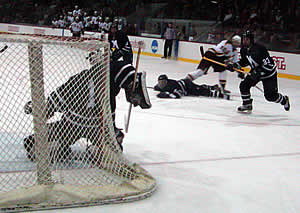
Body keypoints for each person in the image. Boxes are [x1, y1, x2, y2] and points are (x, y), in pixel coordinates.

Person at [23, 51, 151, 162]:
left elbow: (56, 99)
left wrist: (41, 108)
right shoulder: (108, 72)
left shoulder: (87, 77)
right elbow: (130, 75)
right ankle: (95, 151)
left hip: (81, 124)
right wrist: (136, 94)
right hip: (88, 125)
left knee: (62, 136)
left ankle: (44, 143)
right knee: (114, 143)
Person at [226, 31, 290, 113]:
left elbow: (269, 65)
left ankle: (284, 100)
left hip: (268, 73)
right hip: (256, 70)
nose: (244, 41)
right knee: (244, 85)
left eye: (246, 39)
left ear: (251, 40)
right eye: (243, 39)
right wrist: (235, 65)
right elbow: (245, 61)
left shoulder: (260, 49)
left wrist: (258, 73)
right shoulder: (243, 50)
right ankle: (247, 104)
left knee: (270, 96)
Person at [154, 74, 230, 100]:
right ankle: (212, 87)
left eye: (163, 82)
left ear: (166, 81)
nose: (161, 84)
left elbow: (178, 95)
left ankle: (221, 95)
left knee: (201, 92)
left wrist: (167, 95)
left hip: (187, 87)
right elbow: (156, 87)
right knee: (199, 87)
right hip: (185, 82)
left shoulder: (172, 86)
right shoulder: (163, 85)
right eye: (160, 82)